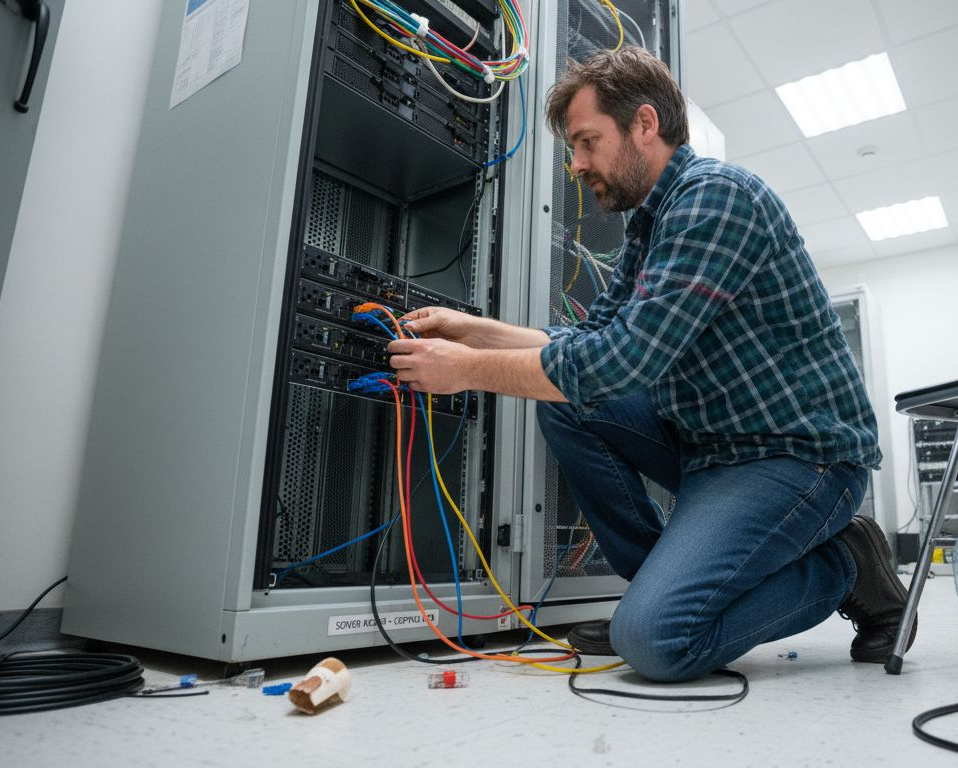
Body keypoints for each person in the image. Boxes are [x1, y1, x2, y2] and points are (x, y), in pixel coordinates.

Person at [387, 46, 914, 682]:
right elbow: (591, 338)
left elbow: (621, 361)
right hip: (711, 447)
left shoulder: (716, 200)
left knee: (655, 643)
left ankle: (846, 563)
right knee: (569, 405)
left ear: (644, 124)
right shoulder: (651, 225)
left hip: (797, 458)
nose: (577, 164)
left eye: (586, 141)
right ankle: (665, 586)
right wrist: (474, 332)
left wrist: (465, 369)